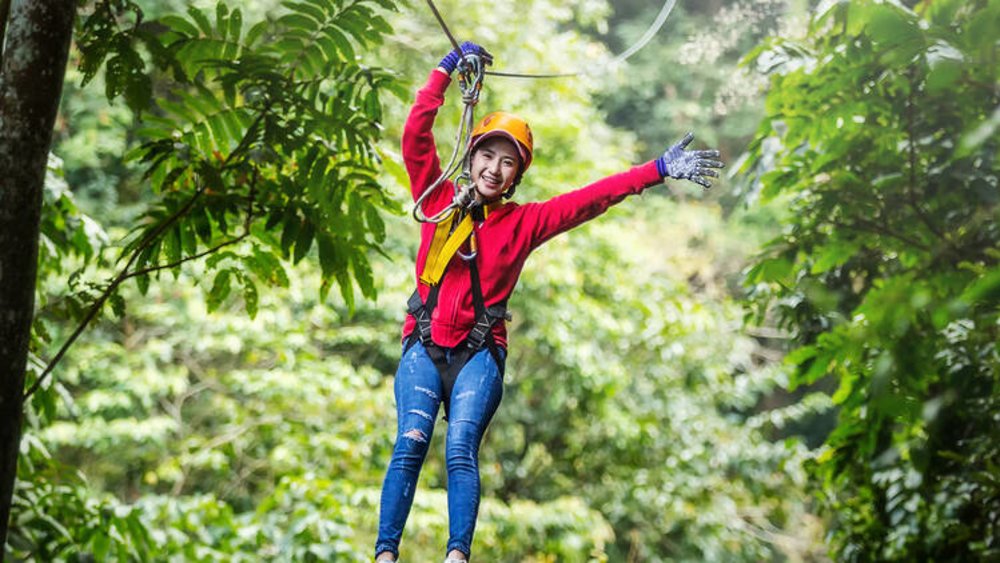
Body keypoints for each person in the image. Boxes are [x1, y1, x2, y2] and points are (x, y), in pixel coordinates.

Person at [375, 42, 723, 563]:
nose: (494, 168)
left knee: (460, 449)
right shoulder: (438, 198)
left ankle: (456, 557)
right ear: (471, 157)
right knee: (410, 442)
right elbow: (415, 135)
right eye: (488, 155)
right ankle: (385, 555)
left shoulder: (524, 222)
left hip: (478, 354)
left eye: (507, 162)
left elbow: (591, 198)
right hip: (424, 346)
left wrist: (657, 169)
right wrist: (444, 73)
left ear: (517, 175)